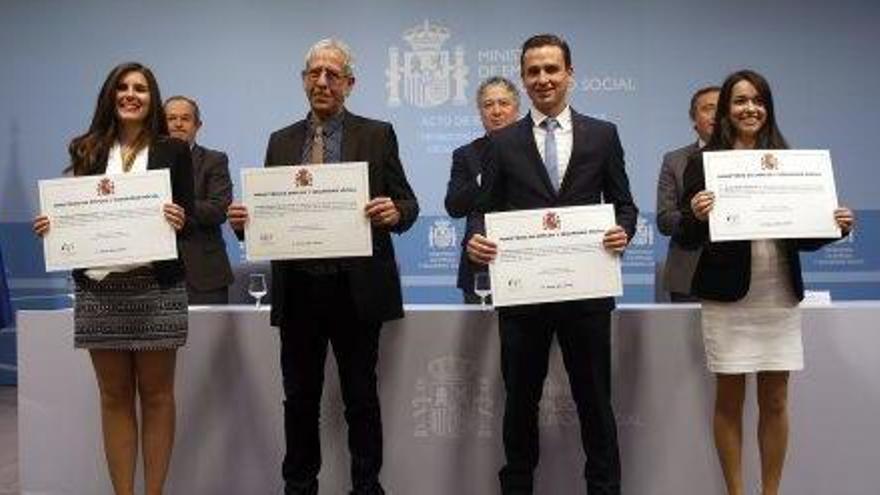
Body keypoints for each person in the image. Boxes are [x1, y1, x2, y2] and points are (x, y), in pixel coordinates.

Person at [227, 39, 418, 495]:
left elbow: (407, 202)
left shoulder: (377, 133)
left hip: (356, 289)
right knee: (299, 399)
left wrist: (396, 213)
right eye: (314, 73)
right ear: (303, 81)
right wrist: (245, 223)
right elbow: (270, 213)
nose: (322, 81)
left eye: (333, 74)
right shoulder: (281, 140)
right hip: (299, 291)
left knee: (360, 399)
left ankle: (367, 486)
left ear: (350, 84)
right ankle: (299, 486)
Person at [467, 34, 638, 495]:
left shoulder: (603, 135)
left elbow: (625, 205)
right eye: (533, 71)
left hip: (587, 295)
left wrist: (624, 231)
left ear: (569, 75)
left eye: (551, 69)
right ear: (523, 79)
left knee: (595, 405)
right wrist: (475, 241)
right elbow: (482, 211)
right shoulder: (501, 143)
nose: (542, 79)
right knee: (519, 405)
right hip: (524, 298)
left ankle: (604, 489)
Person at [675, 69, 855, 495]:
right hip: (727, 299)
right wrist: (696, 215)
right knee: (730, 400)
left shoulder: (788, 159)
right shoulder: (704, 164)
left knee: (775, 401)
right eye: (740, 101)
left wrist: (836, 225)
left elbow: (804, 236)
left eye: (757, 100)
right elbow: (683, 234)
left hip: (778, 295)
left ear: (767, 108)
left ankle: (770, 492)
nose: (749, 108)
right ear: (725, 110)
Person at [32, 62, 194, 495]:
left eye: (140, 88)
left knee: (158, 397)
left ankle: (154, 492)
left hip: (156, 288)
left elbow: (190, 217)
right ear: (110, 94)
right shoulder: (85, 148)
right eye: (122, 87)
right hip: (98, 290)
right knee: (114, 397)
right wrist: (54, 225)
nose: (131, 94)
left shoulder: (173, 151)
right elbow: (74, 213)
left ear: (151, 98)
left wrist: (181, 217)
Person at [445, 76, 520, 303]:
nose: (496, 111)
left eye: (503, 103)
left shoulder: (536, 148)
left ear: (516, 109)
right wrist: (481, 179)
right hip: (481, 265)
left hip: (528, 258)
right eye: (488, 105)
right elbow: (454, 206)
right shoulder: (466, 154)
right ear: (480, 112)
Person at [164, 95, 234, 304]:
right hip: (157, 275)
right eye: (171, 118)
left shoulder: (215, 160)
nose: (178, 124)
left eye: (185, 119)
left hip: (205, 274)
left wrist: (175, 207)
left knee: (208, 337)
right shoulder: (146, 164)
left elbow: (219, 209)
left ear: (197, 125)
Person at [656, 85, 719, 302]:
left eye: (722, 109)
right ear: (694, 118)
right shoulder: (675, 160)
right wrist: (691, 213)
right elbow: (665, 221)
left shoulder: (750, 158)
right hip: (689, 273)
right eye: (708, 108)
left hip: (744, 273)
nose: (716, 115)